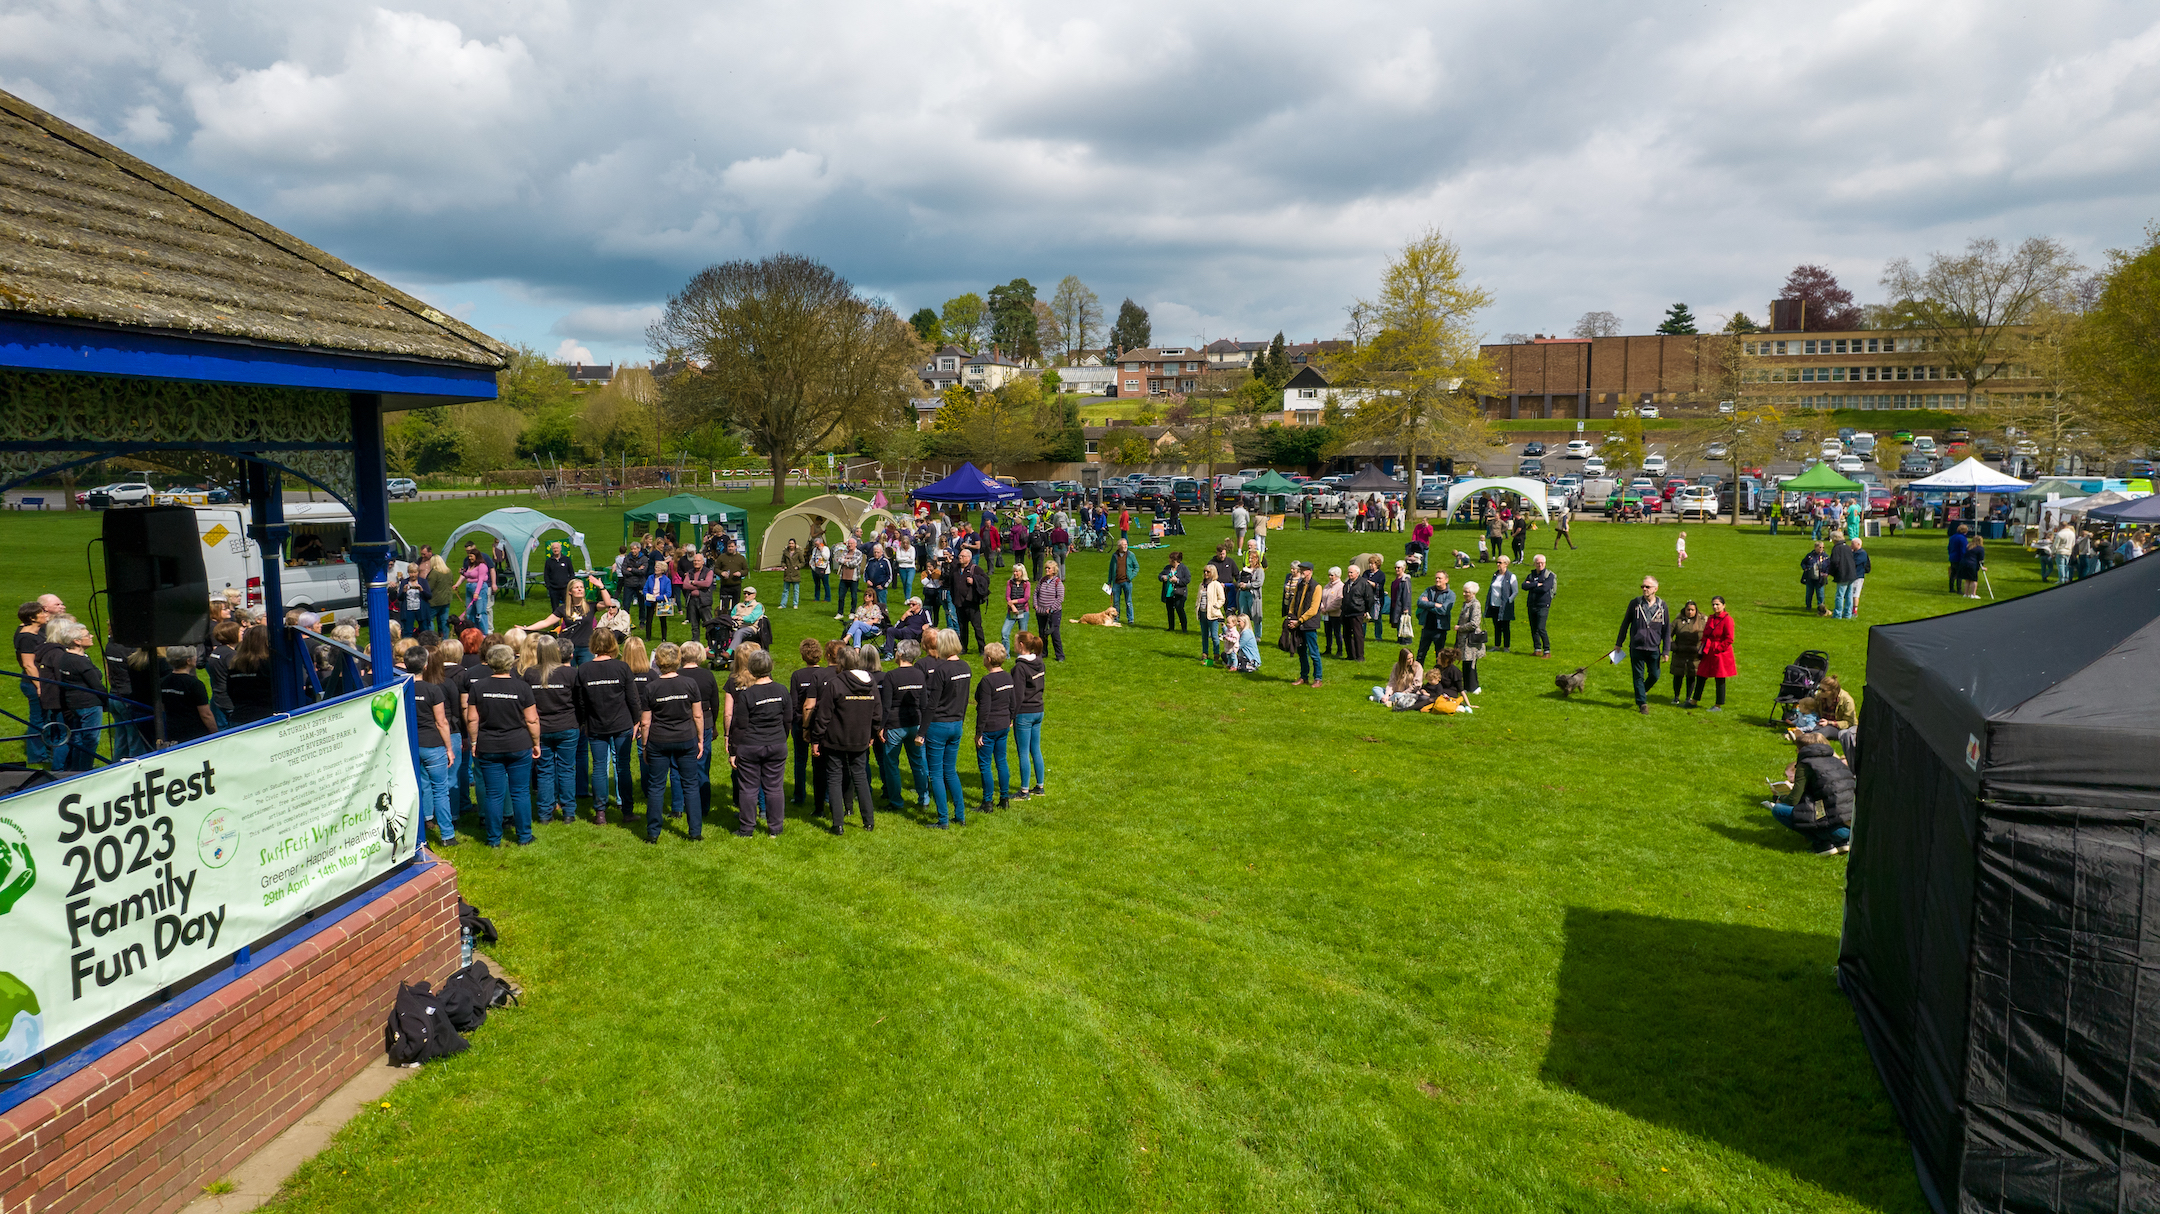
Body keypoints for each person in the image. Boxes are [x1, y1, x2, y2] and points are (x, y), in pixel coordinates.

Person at [466, 644, 538, 848]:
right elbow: (532, 720)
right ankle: (524, 836)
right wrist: (536, 743)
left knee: (494, 794)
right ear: (511, 662)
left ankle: (493, 839)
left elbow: (472, 719)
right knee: (520, 792)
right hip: (518, 744)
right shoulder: (522, 687)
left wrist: (474, 742)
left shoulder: (478, 687)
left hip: (489, 746)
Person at [637, 642, 706, 842]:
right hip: (685, 738)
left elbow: (645, 722)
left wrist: (644, 746)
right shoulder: (690, 684)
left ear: (658, 662)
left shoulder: (651, 687)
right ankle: (695, 832)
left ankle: (653, 833)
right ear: (678, 660)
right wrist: (700, 739)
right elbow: (698, 715)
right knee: (690, 785)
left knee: (656, 786)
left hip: (658, 740)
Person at [571, 630, 641, 827]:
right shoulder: (622, 667)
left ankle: (600, 813)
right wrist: (636, 721)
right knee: (623, 767)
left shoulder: (584, 669)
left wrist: (583, 722)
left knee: (599, 767)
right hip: (621, 724)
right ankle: (627, 811)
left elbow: (580, 702)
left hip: (596, 724)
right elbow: (633, 698)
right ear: (612, 644)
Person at [810, 646, 881, 834]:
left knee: (834, 778)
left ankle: (838, 824)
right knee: (860, 777)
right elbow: (877, 713)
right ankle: (869, 821)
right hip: (860, 739)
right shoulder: (871, 682)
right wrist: (872, 734)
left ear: (840, 662)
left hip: (836, 739)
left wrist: (816, 739)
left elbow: (823, 715)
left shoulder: (835, 683)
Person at [725, 647, 793, 837]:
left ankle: (747, 829)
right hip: (776, 744)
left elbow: (739, 726)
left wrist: (733, 751)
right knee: (774, 787)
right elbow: (788, 720)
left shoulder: (748, 695)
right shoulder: (782, 690)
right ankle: (775, 828)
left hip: (751, 746)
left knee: (748, 788)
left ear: (752, 669)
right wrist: (781, 738)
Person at [1763, 732, 1854, 855]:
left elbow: (1793, 799)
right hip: (1852, 825)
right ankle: (1843, 842)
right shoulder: (1837, 762)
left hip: (1834, 826)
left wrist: (1780, 797)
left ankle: (1823, 844)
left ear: (1802, 749)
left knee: (1778, 809)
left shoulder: (1806, 764)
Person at [403, 649, 458, 846]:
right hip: (433, 745)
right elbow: (441, 722)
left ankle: (423, 824)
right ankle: (447, 835)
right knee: (440, 790)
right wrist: (449, 749)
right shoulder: (433, 690)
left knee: (418, 787)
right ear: (425, 666)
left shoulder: (401, 689)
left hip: (410, 744)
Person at [525, 636, 580, 823]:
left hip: (542, 728)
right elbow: (579, 701)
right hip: (567, 726)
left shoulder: (530, 674)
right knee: (567, 769)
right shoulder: (570, 673)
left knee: (545, 770)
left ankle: (544, 813)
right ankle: (568, 812)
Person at [923, 629, 972, 827]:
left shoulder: (942, 669)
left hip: (938, 725)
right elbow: (965, 699)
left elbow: (932, 704)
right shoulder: (966, 667)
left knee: (936, 774)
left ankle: (943, 819)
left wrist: (921, 732)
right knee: (950, 771)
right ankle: (960, 816)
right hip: (956, 724)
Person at [877, 639, 931, 813]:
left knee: (892, 764)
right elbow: (924, 704)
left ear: (900, 654)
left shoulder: (891, 676)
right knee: (917, 762)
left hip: (895, 725)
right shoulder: (919, 674)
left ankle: (896, 802)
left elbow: (886, 706)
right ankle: (924, 799)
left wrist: (881, 726)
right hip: (915, 723)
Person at [1614, 575, 1672, 715]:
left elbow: (1666, 630)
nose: (1644, 589)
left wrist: (1666, 650)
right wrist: (1619, 643)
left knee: (1655, 675)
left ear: (1656, 589)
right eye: (1643, 586)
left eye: (1647, 587)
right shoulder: (1635, 604)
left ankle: (1641, 691)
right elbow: (1625, 623)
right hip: (1637, 647)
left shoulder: (1662, 606)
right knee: (1638, 676)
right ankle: (1642, 704)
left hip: (1653, 647)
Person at [973, 642, 1016, 812]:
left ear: (989, 659)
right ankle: (1004, 799)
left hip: (989, 727)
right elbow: (1013, 701)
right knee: (1001, 761)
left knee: (985, 764)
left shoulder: (987, 681)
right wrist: (1011, 718)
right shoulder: (1008, 677)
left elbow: (984, 708)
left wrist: (979, 732)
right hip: (1004, 725)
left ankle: (987, 802)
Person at [788, 638, 827, 809]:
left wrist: (794, 722)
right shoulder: (826, 674)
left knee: (800, 759)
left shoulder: (798, 675)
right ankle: (826, 796)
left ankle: (799, 796)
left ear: (803, 656)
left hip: (800, 721)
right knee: (823, 760)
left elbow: (794, 702)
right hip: (821, 721)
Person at [1011, 631, 1046, 798]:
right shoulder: (1040, 662)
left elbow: (1017, 696)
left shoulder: (1020, 668)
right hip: (1039, 710)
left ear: (1021, 645)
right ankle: (1040, 787)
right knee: (1035, 749)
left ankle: (1024, 791)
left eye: (1015, 641)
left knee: (1023, 752)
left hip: (1024, 713)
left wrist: (1011, 716)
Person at [1690, 595, 1736, 711]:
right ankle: (1694, 700)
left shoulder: (1727, 620)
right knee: (1701, 674)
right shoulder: (1711, 618)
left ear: (1723, 605)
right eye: (1713, 604)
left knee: (1719, 678)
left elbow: (1729, 638)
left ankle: (1718, 705)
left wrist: (1718, 649)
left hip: (1720, 653)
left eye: (1717, 604)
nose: (1715, 607)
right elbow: (1706, 634)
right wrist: (1703, 646)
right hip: (1708, 650)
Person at [1286, 562, 1324, 687]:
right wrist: (1291, 616)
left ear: (1310, 571)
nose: (1301, 571)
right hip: (1298, 623)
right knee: (1301, 652)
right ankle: (1304, 677)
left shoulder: (1316, 587)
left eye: (1304, 569)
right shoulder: (1300, 585)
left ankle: (1318, 678)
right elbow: (1293, 602)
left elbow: (1314, 609)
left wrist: (1300, 621)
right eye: (1301, 569)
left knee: (1313, 652)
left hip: (1309, 624)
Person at [951, 549, 990, 653]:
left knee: (977, 627)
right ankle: (963, 648)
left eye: (962, 556)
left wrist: (974, 581)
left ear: (968, 558)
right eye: (959, 556)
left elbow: (986, 581)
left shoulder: (975, 569)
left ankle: (982, 649)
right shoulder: (955, 569)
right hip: (959, 603)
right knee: (962, 627)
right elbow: (951, 584)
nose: (960, 558)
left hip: (971, 603)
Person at [1669, 600, 1705, 707]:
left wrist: (1701, 649)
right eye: (1688, 610)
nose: (1690, 612)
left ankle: (1688, 697)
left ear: (1696, 610)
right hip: (1680, 653)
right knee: (1678, 675)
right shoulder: (1678, 621)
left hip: (1694, 654)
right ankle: (1676, 697)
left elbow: (1707, 636)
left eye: (1692, 610)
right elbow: (1668, 634)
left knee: (1691, 676)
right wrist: (1673, 646)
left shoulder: (1702, 621)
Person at [1523, 554, 1557, 658]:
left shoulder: (1549, 575)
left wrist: (1532, 585)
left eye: (1542, 563)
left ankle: (1547, 651)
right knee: (1533, 628)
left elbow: (1545, 588)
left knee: (1541, 628)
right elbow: (1524, 586)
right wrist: (1537, 584)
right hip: (1532, 604)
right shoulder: (1531, 574)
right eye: (1538, 563)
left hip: (1543, 605)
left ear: (1545, 563)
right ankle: (1537, 649)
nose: (1540, 565)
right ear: (1534, 564)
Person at [1033, 559, 1066, 662]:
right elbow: (1035, 592)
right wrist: (1035, 605)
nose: (1047, 570)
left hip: (1053, 613)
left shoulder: (1058, 582)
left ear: (1054, 570)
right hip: (1040, 612)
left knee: (1055, 633)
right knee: (1042, 633)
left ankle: (1060, 655)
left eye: (1049, 568)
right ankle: (1043, 652)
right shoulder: (1042, 580)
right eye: (1046, 568)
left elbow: (1060, 598)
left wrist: (1051, 608)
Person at [1455, 582, 1484, 695]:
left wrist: (1460, 628)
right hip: (1464, 639)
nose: (1464, 594)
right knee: (1465, 662)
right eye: (1464, 591)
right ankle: (1466, 686)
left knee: (1471, 662)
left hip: (1471, 639)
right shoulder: (1466, 604)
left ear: (1473, 593)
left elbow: (1474, 623)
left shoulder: (1475, 605)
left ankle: (1474, 686)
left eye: (1467, 592)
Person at [1486, 556, 1519, 653]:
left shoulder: (1511, 576)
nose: (1498, 564)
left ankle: (1506, 647)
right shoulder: (1495, 575)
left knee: (1505, 627)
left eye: (1500, 562)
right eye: (1497, 562)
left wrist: (1509, 600)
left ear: (1506, 564)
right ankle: (1496, 645)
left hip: (1504, 606)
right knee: (1496, 626)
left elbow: (1515, 591)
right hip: (1494, 604)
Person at [1196, 565, 1227, 665]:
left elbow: (1222, 598)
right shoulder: (1202, 585)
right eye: (1204, 571)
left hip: (1213, 614)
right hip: (1202, 613)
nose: (1205, 573)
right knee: (1204, 635)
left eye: (1208, 572)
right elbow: (1198, 598)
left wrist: (1216, 606)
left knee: (1214, 636)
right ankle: (1204, 654)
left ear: (1213, 573)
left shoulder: (1216, 584)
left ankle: (1216, 654)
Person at [1002, 563, 1033, 648]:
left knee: (1023, 636)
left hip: (1023, 611)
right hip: (1012, 612)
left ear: (1022, 572)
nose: (1015, 573)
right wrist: (1012, 607)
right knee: (1004, 633)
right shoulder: (1010, 583)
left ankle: (1022, 652)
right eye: (1014, 571)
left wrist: (1013, 601)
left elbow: (1026, 598)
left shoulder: (1027, 584)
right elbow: (1007, 596)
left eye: (1017, 571)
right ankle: (1005, 653)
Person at [1159, 551, 1191, 633]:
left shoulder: (1183, 568)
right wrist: (1163, 577)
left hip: (1179, 593)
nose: (1169, 561)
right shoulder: (1167, 568)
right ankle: (1171, 627)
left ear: (1174, 560)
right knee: (1170, 610)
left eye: (1170, 559)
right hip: (1169, 593)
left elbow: (1187, 579)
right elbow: (1160, 575)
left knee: (1179, 609)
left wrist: (1177, 580)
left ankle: (1184, 628)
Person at [1107, 539, 1137, 625]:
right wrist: (1109, 582)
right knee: (1116, 602)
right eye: (1124, 544)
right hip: (1116, 582)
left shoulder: (1131, 555)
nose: (1125, 546)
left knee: (1128, 602)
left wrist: (1131, 576)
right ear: (1119, 546)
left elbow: (1136, 567)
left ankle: (1130, 620)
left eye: (1126, 544)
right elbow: (1111, 569)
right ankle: (1116, 619)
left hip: (1127, 582)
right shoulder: (1114, 556)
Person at [834, 537, 864, 617]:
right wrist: (847, 561)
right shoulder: (845, 552)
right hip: (843, 577)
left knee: (853, 596)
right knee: (841, 596)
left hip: (853, 578)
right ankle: (840, 613)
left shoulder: (858, 553)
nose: (850, 545)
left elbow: (854, 563)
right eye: (849, 543)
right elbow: (839, 560)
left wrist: (845, 562)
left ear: (855, 544)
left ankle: (852, 612)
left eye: (851, 543)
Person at [543, 542, 574, 617]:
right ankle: (555, 623)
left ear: (560, 549)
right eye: (554, 548)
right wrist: (549, 586)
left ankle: (567, 621)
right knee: (555, 609)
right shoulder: (549, 561)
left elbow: (571, 573)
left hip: (565, 588)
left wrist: (570, 585)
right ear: (552, 550)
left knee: (567, 607)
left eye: (557, 548)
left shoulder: (566, 560)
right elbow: (546, 575)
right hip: (553, 589)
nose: (555, 550)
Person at [1800, 541, 1829, 614]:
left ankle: (1820, 607)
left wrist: (1826, 573)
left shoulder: (1825, 557)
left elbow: (1829, 566)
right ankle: (1808, 606)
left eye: (1823, 547)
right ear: (1815, 547)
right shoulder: (1810, 556)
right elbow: (1803, 563)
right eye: (1820, 547)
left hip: (1820, 579)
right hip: (1810, 578)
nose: (1821, 549)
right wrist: (1806, 568)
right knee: (1809, 593)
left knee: (1820, 593)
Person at [865, 543, 893, 614]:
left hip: (881, 588)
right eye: (875, 552)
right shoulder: (870, 561)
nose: (876, 554)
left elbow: (889, 576)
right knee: (870, 604)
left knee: (882, 605)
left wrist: (883, 585)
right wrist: (867, 580)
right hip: (871, 587)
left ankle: (884, 617)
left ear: (881, 552)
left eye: (878, 552)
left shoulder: (885, 562)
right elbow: (865, 572)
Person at [778, 537, 804, 609]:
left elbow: (802, 562)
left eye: (792, 543)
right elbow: (782, 561)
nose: (791, 545)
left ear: (795, 544)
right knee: (785, 590)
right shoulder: (785, 552)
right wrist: (784, 566)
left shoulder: (798, 552)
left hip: (796, 574)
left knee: (796, 590)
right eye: (790, 543)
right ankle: (783, 604)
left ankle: (795, 604)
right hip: (787, 574)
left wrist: (798, 567)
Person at [1960, 533, 1987, 599]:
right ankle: (1973, 594)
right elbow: (1981, 559)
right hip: (1972, 565)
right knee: (1974, 580)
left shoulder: (1968, 547)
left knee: (1967, 580)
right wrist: (1982, 567)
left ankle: (1966, 594)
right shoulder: (1980, 548)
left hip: (1964, 564)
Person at [1947, 523, 1969, 594]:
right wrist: (1964, 558)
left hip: (1952, 557)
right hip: (1959, 558)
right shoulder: (1963, 538)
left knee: (1953, 573)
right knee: (1959, 574)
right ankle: (1959, 589)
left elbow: (1949, 547)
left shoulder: (1952, 537)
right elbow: (1963, 549)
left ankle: (1951, 588)